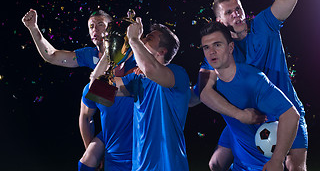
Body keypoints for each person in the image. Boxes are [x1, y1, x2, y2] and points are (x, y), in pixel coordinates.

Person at [197, 0, 307, 171]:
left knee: (295, 166)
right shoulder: (219, 49)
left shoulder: (264, 25)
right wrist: (239, 115)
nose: (237, 14)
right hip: (246, 119)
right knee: (215, 163)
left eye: (238, 8)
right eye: (229, 12)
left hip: (282, 111)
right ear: (220, 20)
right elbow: (204, 91)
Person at [22, 9, 136, 170]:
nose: (94, 30)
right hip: (111, 124)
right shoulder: (91, 55)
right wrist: (33, 28)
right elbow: (52, 55)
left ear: (113, 27)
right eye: (90, 26)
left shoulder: (134, 52)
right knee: (87, 160)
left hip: (136, 124)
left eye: (100, 25)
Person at [91, 17, 191, 170]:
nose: (142, 39)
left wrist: (133, 39)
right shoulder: (136, 79)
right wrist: (110, 53)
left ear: (162, 52)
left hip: (169, 166)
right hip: (139, 167)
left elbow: (150, 69)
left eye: (148, 38)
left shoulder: (178, 74)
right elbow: (96, 88)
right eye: (143, 37)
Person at [201, 21, 300, 171]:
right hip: (240, 164)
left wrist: (277, 160)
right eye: (206, 47)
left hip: (263, 164)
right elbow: (202, 95)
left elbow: (291, 115)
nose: (211, 52)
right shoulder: (211, 83)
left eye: (217, 45)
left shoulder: (253, 79)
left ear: (230, 48)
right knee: (215, 165)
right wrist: (239, 114)